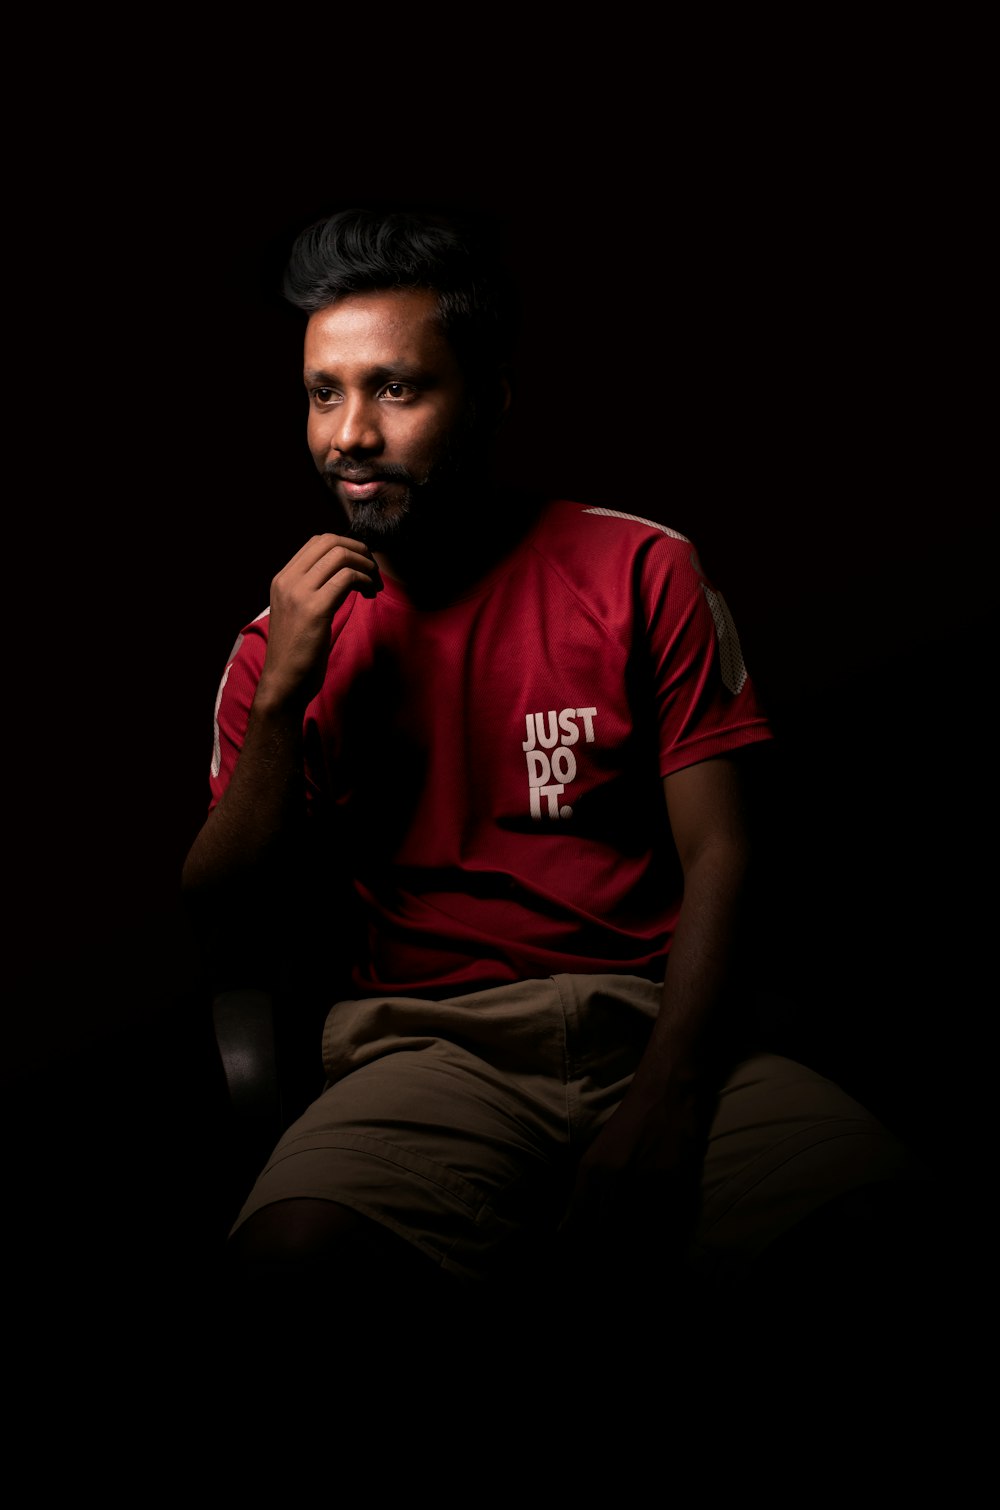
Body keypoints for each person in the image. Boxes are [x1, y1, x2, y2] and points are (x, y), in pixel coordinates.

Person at [182, 204, 929, 1378]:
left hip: (669, 1024)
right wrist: (283, 694)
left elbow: (729, 855)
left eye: (396, 390)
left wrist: (669, 1104)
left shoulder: (639, 569)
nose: (351, 436)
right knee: (288, 1274)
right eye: (323, 394)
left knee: (880, 1237)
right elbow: (221, 905)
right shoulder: (279, 641)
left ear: (488, 398)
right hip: (424, 1048)